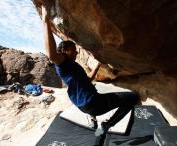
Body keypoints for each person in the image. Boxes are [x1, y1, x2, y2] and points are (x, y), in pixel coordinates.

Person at [41, 5, 139, 136]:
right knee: (132, 97)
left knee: (92, 89)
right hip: (93, 103)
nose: (76, 52)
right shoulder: (63, 63)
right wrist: (45, 21)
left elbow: (88, 79)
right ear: (64, 51)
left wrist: (97, 66)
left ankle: (93, 121)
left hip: (83, 106)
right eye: (73, 49)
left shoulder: (71, 66)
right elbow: (52, 54)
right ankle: (107, 124)